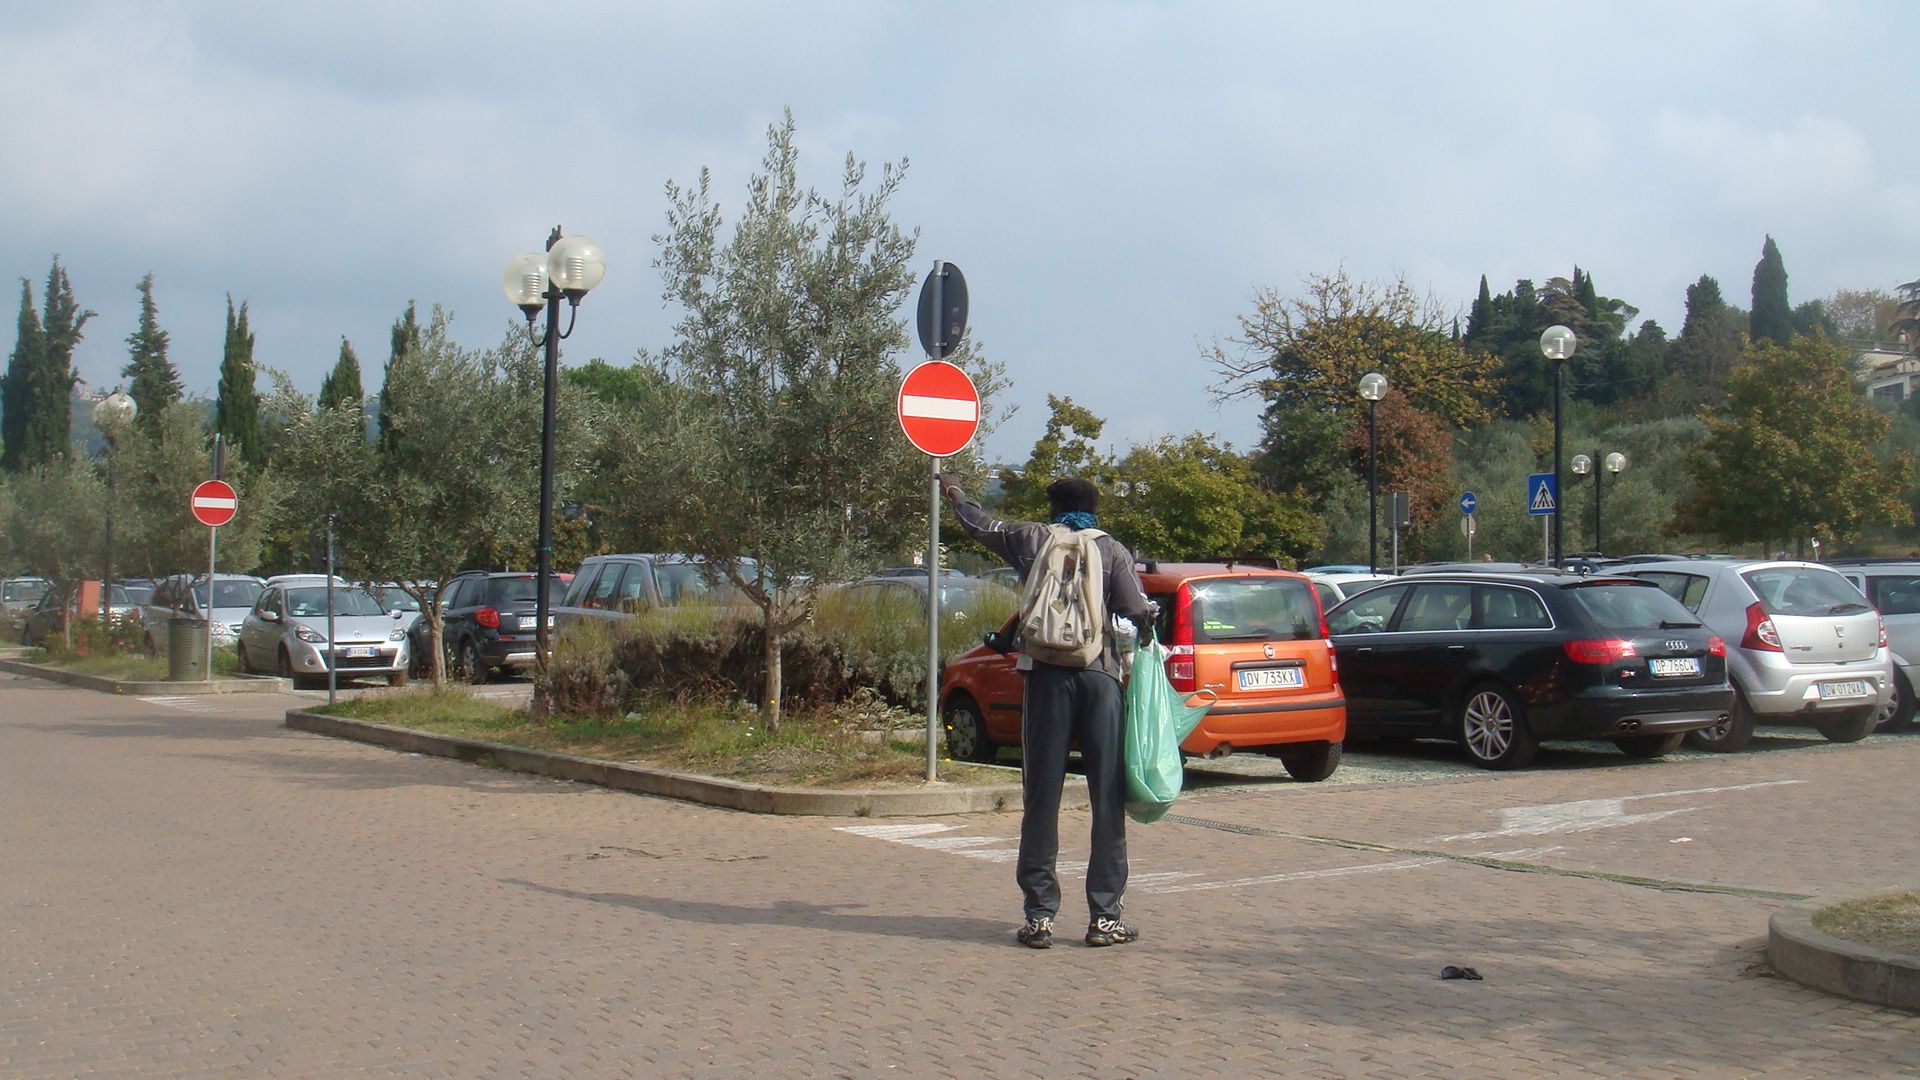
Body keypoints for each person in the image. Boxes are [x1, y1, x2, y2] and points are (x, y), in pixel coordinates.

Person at [939, 473, 1152, 949]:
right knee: (1107, 797)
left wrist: (954, 492)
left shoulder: (1031, 538)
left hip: (1045, 677)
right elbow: (1136, 609)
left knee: (1041, 795)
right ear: (1095, 508)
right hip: (1100, 677)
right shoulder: (1111, 549)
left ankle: (1039, 916)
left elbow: (980, 525)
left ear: (1053, 507)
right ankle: (1105, 917)